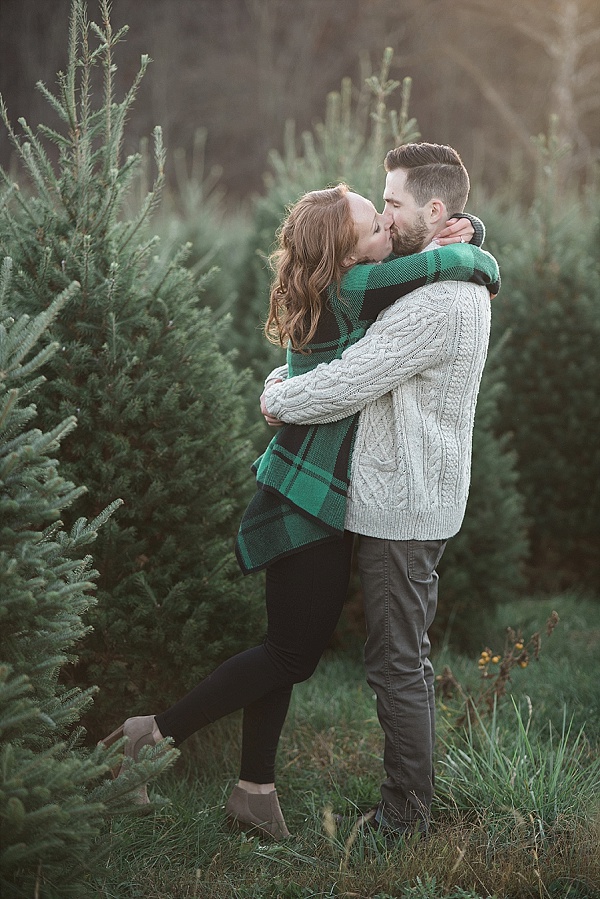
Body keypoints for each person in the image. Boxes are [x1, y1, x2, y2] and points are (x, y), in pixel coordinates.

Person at [102, 173, 499, 841]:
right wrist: (478, 247)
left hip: (307, 487)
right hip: (306, 498)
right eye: (375, 227)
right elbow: (451, 263)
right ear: (346, 256)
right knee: (290, 654)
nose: (387, 233)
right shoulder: (355, 288)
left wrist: (467, 222)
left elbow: (417, 256)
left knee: (283, 646)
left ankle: (254, 791)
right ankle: (149, 736)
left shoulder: (338, 280)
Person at [260, 142, 496, 839]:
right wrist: (475, 233)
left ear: (431, 208)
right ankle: (410, 799)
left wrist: (278, 394)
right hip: (406, 497)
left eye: (392, 204)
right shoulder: (425, 274)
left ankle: (405, 815)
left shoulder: (440, 303)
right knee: (402, 654)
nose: (384, 219)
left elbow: (351, 379)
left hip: (405, 507)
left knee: (395, 659)